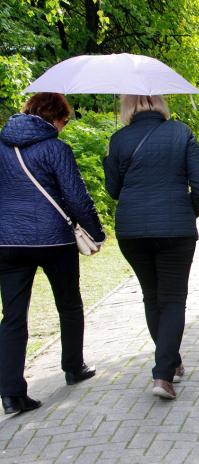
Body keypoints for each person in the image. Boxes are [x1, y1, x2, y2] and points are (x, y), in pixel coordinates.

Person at [0, 92, 105, 414]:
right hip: (54, 240)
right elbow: (76, 197)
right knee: (69, 304)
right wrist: (97, 233)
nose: (63, 127)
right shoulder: (56, 148)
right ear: (55, 118)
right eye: (64, 121)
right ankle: (73, 367)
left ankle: (11, 393)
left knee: (13, 317)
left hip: (7, 243)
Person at [103, 95, 199, 400]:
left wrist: (111, 161)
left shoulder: (119, 139)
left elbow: (113, 190)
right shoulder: (181, 132)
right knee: (173, 300)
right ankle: (163, 376)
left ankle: (170, 361)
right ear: (159, 102)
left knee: (152, 296)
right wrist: (188, 210)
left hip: (132, 230)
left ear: (127, 106)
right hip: (176, 228)